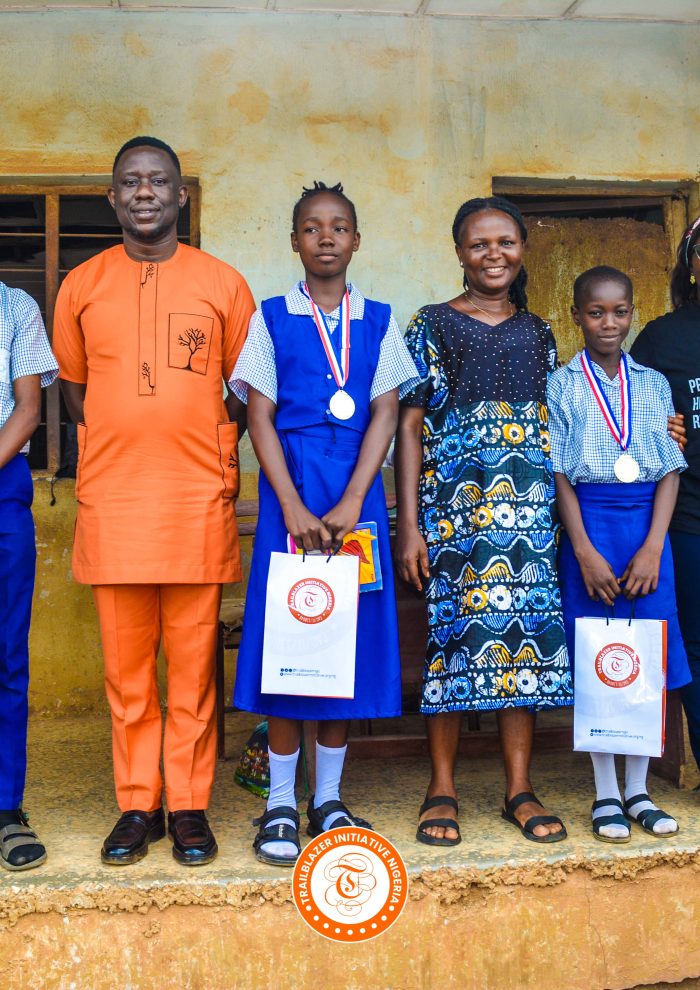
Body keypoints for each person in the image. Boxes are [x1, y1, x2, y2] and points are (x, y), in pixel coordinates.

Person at [53, 137, 255, 867]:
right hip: (115, 501)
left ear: (180, 196)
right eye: (131, 182)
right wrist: (119, 439)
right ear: (112, 197)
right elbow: (75, 388)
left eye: (159, 181)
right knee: (127, 670)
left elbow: (243, 390)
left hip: (195, 499)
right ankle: (138, 804)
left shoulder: (223, 284)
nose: (145, 192)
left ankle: (189, 805)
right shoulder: (81, 284)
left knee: (194, 667)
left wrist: (204, 444)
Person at [229, 181, 419, 866]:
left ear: (357, 240)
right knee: (292, 637)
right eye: (312, 227)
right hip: (292, 488)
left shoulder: (380, 321)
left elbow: (386, 413)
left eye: (339, 226)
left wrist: (354, 501)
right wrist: (292, 506)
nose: (326, 236)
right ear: (294, 241)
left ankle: (328, 799)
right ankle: (281, 802)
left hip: (355, 499)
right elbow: (257, 416)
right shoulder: (270, 318)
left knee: (344, 642)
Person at [395, 196, 570, 846]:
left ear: (522, 249)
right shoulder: (432, 323)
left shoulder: (539, 332)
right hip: (455, 513)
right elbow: (409, 426)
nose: (494, 254)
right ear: (460, 253)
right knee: (452, 642)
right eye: (479, 244)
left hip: (531, 515)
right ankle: (441, 787)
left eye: (506, 242)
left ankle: (519, 788)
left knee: (523, 642)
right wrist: (409, 525)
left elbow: (561, 423)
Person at [549, 265, 691, 842]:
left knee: (646, 656)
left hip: (647, 531)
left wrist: (655, 545)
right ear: (577, 316)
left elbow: (670, 469)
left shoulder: (653, 384)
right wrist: (582, 549)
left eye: (620, 311)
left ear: (633, 313)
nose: (609, 323)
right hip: (591, 528)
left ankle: (639, 790)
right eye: (596, 312)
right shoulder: (561, 384)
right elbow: (559, 474)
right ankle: (605, 792)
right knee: (600, 656)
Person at [630, 218, 700, 781]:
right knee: (694, 647)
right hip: (690, 519)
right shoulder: (661, 338)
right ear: (691, 264)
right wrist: (658, 432)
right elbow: (626, 417)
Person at [0, 282, 58, 871]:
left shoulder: (14, 307)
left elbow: (29, 409)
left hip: (2, 486)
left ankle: (5, 809)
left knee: (5, 654)